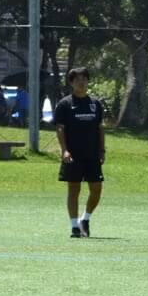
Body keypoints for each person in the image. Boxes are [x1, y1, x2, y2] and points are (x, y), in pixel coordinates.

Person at [53, 67, 106, 237]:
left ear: (88, 81)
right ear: (71, 83)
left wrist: (102, 150)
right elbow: (60, 129)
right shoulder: (65, 104)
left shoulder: (95, 104)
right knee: (74, 190)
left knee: (96, 189)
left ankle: (85, 219)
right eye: (77, 80)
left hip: (92, 154)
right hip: (73, 154)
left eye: (84, 79)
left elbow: (100, 128)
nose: (81, 82)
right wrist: (64, 150)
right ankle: (74, 227)